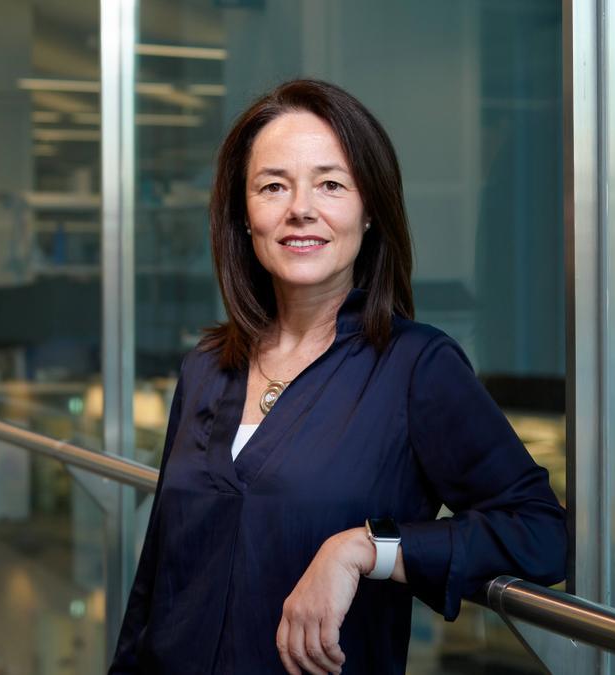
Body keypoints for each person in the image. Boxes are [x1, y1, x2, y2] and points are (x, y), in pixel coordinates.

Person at [109, 79, 567, 674]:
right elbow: (156, 576)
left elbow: (539, 532)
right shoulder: (206, 367)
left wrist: (364, 549)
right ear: (243, 217)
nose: (301, 208)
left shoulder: (417, 368)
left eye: (331, 184)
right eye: (273, 186)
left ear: (369, 209)